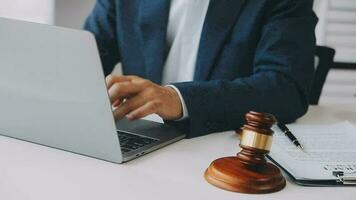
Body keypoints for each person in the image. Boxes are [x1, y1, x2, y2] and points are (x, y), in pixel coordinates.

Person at [84, 0, 317, 138]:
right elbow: (87, 55)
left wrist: (178, 99)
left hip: (222, 153)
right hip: (143, 146)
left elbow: (286, 88)